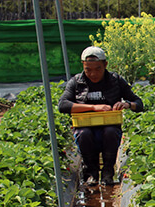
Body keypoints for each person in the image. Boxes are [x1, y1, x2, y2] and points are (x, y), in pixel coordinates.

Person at [58, 46, 144, 185]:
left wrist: (127, 104)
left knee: (110, 132)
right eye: (88, 70)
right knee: (84, 134)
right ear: (83, 67)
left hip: (109, 127)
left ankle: (108, 172)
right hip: (85, 127)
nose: (93, 74)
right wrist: (93, 107)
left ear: (105, 65)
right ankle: (90, 172)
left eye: (98, 69)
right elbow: (63, 105)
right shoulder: (76, 82)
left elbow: (138, 103)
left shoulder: (115, 80)